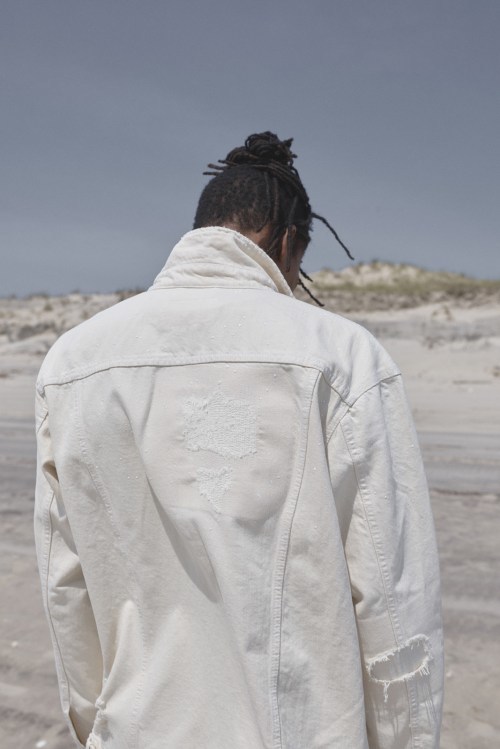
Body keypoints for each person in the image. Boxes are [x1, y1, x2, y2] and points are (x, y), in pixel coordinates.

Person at [34, 131, 444, 749]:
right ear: (288, 241)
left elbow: (66, 586)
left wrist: (100, 725)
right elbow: (393, 596)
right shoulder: (342, 355)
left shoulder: (72, 362)